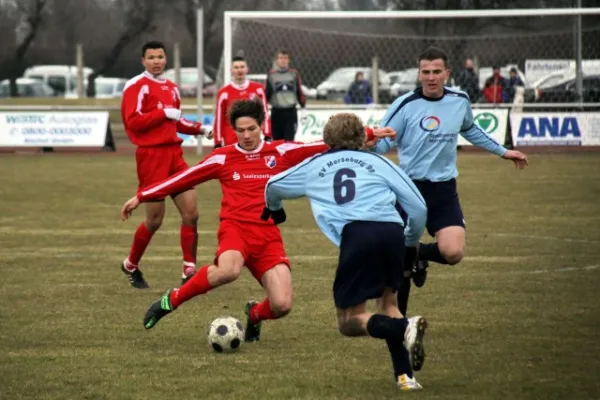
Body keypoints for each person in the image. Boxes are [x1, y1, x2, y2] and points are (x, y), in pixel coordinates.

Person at [119, 99, 396, 341]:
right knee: (228, 270)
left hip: (267, 236)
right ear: (233, 130)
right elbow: (182, 178)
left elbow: (321, 145)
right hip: (235, 230)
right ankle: (171, 300)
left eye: (251, 129)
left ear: (262, 125)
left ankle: (253, 315)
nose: (247, 135)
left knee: (282, 305)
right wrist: (142, 196)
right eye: (240, 130)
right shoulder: (222, 158)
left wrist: (368, 134)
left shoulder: (281, 152)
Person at [262, 112, 429, 390]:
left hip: (358, 236)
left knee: (349, 322)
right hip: (391, 233)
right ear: (363, 136)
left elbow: (273, 185)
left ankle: (405, 328)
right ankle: (405, 377)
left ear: (327, 138)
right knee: (389, 305)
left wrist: (275, 211)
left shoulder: (315, 164)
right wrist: (410, 242)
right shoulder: (379, 161)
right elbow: (419, 208)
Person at [373, 46, 529, 316]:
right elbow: (383, 140)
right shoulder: (405, 104)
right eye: (425, 72)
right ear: (419, 74)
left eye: (436, 72)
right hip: (409, 189)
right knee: (400, 262)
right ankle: (398, 323)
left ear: (446, 73)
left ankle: (419, 253)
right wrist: (366, 146)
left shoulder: (459, 100)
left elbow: (470, 129)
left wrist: (502, 151)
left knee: (452, 253)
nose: (431, 77)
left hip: (444, 191)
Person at [120, 40, 211, 289]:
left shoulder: (171, 87)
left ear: (166, 59)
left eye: (160, 57)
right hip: (152, 157)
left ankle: (189, 272)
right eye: (151, 57)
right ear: (143, 60)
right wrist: (162, 113)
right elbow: (133, 122)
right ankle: (130, 264)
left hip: (174, 156)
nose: (157, 61)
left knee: (191, 214)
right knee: (154, 220)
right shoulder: (136, 86)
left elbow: (176, 121)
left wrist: (200, 129)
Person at [213, 56, 270, 148]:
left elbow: (265, 113)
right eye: (236, 67)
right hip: (231, 138)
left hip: (252, 136)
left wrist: (267, 134)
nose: (239, 70)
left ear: (247, 69)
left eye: (242, 67)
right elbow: (219, 118)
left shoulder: (258, 89)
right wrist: (217, 141)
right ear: (231, 70)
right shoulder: (223, 93)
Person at [266, 49, 306, 142]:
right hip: (276, 111)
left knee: (289, 140)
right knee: (277, 141)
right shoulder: (272, 74)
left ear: (288, 60)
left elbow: (299, 91)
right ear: (276, 60)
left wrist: (303, 107)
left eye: (285, 58)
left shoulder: (294, 73)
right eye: (281, 58)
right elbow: (267, 92)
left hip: (290, 112)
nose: (283, 60)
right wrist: (263, 109)